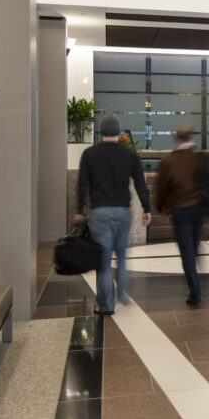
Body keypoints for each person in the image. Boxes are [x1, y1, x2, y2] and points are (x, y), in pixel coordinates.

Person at [75, 114, 152, 315]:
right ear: (119, 132)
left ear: (101, 131)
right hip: (123, 212)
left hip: (100, 212)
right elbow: (141, 184)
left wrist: (79, 211)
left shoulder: (90, 154)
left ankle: (106, 305)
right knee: (122, 254)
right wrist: (147, 208)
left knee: (103, 260)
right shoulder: (130, 154)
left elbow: (82, 184)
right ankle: (123, 291)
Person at [156, 124, 207, 307]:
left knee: (186, 252)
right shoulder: (200, 158)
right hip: (199, 209)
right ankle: (197, 265)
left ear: (177, 139)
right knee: (194, 245)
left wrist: (161, 207)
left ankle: (195, 293)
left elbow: (162, 187)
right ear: (192, 138)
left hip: (180, 211)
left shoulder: (168, 161)